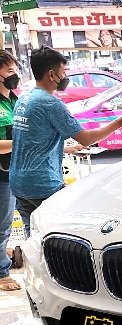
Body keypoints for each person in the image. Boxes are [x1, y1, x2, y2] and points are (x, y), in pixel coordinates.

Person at [9, 47, 122, 237]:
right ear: (52, 74)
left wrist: (67, 148)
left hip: (19, 182)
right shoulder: (50, 103)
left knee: (33, 234)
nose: (65, 77)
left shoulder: (24, 99)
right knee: (55, 236)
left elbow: (32, 141)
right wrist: (118, 123)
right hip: (42, 184)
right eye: (63, 72)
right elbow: (85, 138)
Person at [0, 50, 21, 291]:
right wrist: (20, 143)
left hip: (17, 171)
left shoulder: (16, 100)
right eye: (9, 71)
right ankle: (2, 274)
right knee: (3, 225)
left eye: (15, 70)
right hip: (2, 174)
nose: (14, 75)